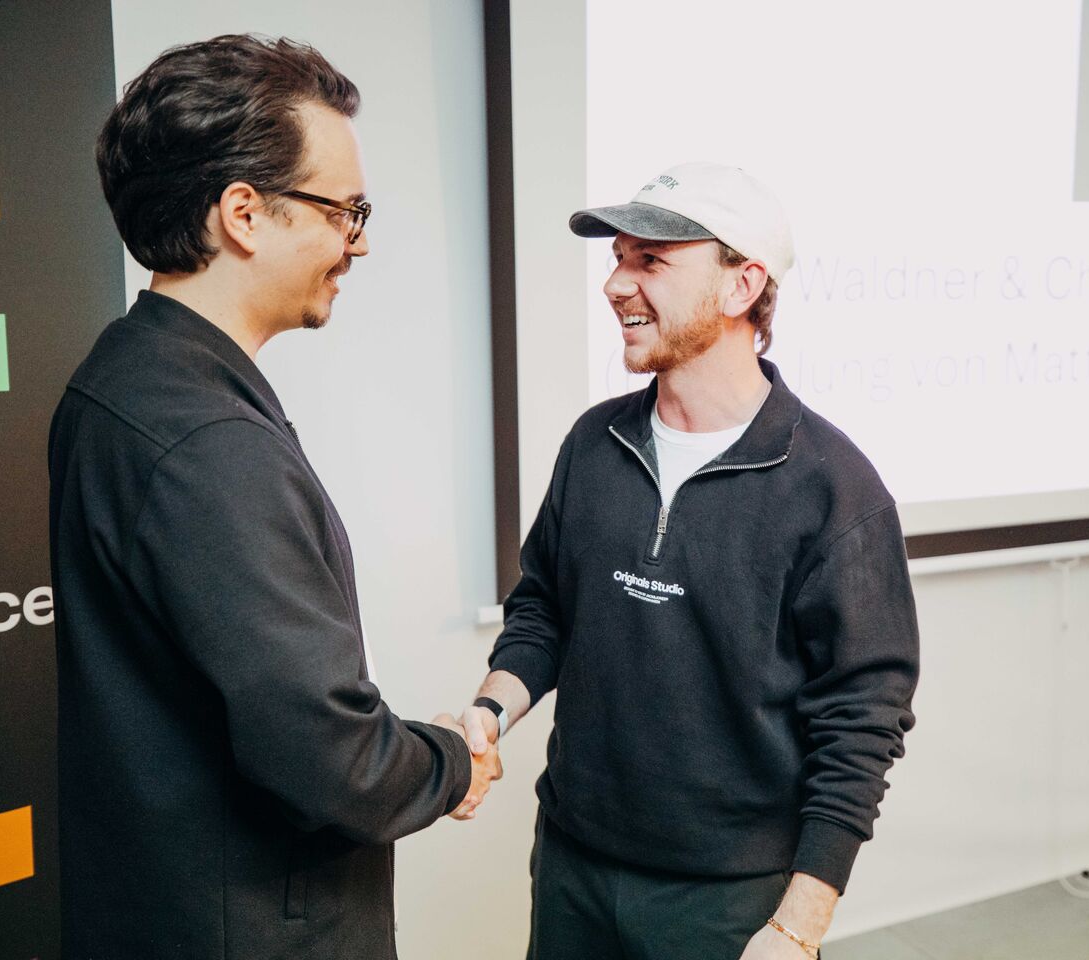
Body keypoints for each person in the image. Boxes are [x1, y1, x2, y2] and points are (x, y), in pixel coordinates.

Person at [48, 35, 499, 960]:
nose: (360, 242)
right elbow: (334, 760)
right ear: (244, 215)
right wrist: (452, 762)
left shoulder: (121, 376)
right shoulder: (209, 444)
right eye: (345, 211)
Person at [454, 162, 920, 959]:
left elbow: (863, 717)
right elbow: (545, 610)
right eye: (618, 258)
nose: (616, 284)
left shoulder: (833, 489)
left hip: (729, 899)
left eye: (652, 261)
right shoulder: (594, 443)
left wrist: (799, 925)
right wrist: (489, 711)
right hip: (571, 861)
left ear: (743, 285)